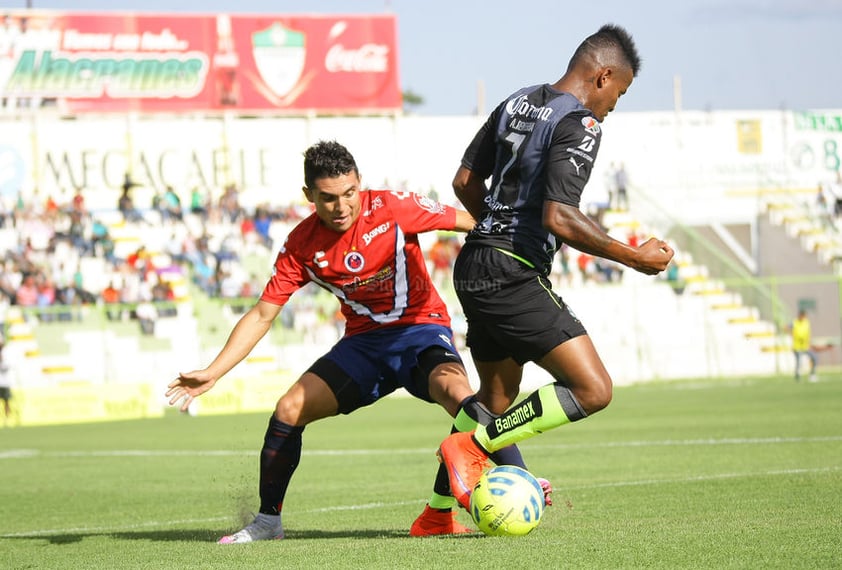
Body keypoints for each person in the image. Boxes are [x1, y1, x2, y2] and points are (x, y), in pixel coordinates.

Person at [165, 141, 533, 543]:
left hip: (421, 330)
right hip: (364, 346)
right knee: (289, 409)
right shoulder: (301, 245)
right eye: (328, 198)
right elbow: (261, 314)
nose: (342, 207)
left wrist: (520, 252)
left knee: (459, 394)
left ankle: (524, 478)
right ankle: (268, 522)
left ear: (360, 185)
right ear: (309, 196)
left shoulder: (393, 208)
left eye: (349, 193)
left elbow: (470, 222)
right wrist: (213, 372)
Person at [435, 24, 675, 510]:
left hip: (475, 263)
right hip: (511, 272)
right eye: (619, 93)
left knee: (495, 403)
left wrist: (496, 226)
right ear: (604, 76)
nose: (613, 107)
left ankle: (437, 514)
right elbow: (559, 216)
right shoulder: (582, 123)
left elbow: (464, 182)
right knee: (593, 389)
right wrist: (634, 256)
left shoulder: (515, 102)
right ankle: (473, 447)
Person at [790, 309, 817, 382]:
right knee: (799, 362)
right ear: (800, 315)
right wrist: (791, 334)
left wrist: (809, 342)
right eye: (803, 315)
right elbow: (787, 327)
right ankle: (797, 377)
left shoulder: (807, 322)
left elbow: (808, 333)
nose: (804, 317)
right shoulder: (794, 322)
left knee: (814, 358)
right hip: (797, 346)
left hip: (805, 346)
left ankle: (812, 374)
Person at [0, 338, 12, 426]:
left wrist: (2, 361)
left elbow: (7, 367)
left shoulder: (6, 353)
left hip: (5, 383)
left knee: (6, 402)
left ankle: (7, 420)